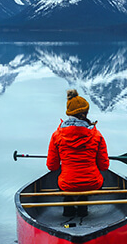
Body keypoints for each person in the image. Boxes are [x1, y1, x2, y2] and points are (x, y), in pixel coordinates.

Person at [47, 89, 109, 217]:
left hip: (66, 184)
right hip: (93, 183)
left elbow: (52, 166)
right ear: (86, 113)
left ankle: (68, 211)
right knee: (86, 186)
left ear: (69, 113)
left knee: (63, 180)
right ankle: (83, 210)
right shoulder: (97, 135)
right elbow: (104, 166)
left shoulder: (57, 135)